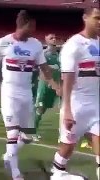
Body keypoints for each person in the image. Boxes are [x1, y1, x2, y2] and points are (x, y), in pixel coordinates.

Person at [0, 10, 60, 180]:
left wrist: (55, 86)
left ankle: (8, 155)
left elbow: (44, 68)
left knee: (27, 137)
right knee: (12, 133)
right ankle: (15, 172)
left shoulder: (35, 44)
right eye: (33, 25)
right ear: (25, 24)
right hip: (9, 93)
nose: (35, 28)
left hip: (26, 94)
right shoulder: (4, 42)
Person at [50, 7, 99, 180]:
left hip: (97, 107)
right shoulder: (74, 44)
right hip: (77, 107)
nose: (99, 22)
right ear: (85, 17)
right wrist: (67, 110)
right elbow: (67, 80)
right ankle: (56, 173)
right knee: (67, 148)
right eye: (96, 18)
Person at [33, 33, 61, 141]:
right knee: (39, 108)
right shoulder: (43, 54)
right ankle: (32, 132)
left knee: (44, 109)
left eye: (55, 38)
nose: (54, 39)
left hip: (55, 86)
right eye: (51, 38)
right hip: (44, 85)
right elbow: (41, 68)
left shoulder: (58, 56)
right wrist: (53, 68)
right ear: (46, 40)